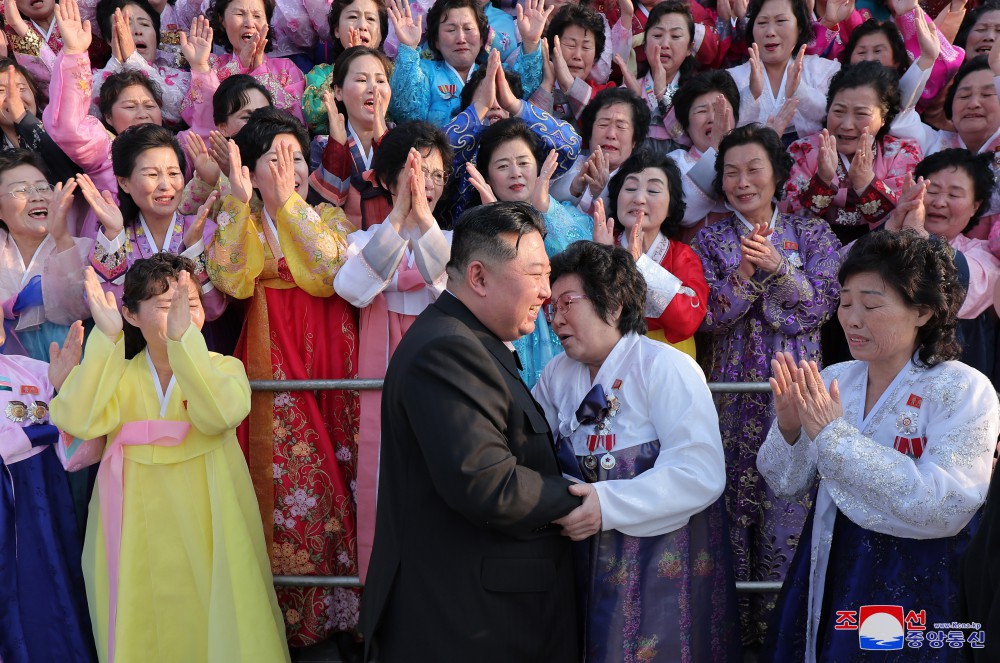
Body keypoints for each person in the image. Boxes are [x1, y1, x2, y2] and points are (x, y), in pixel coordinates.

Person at [758, 230, 998, 661]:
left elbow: (948, 504)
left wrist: (833, 437)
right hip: (829, 559)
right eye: (845, 303)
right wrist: (790, 428)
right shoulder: (840, 377)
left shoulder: (964, 388)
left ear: (922, 311)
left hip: (915, 572)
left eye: (870, 305)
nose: (851, 318)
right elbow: (786, 484)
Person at [360, 201, 583, 662]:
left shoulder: (469, 339)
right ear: (479, 277)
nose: (547, 292)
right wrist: (586, 497)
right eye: (537, 274)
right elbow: (487, 482)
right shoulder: (448, 348)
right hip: (467, 621)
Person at [50, 256, 291, 663]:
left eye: (190, 303)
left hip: (210, 510)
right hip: (134, 518)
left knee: (223, 608)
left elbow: (219, 415)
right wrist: (105, 340)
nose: (182, 314)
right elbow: (78, 420)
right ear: (130, 314)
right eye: (165, 308)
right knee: (141, 610)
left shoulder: (223, 367)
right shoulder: (120, 375)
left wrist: (184, 344)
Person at [532, 240, 740, 662]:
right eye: (552, 307)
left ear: (612, 304)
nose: (556, 319)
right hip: (580, 554)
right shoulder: (557, 373)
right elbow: (532, 443)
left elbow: (699, 471)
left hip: (658, 559)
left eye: (568, 302)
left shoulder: (665, 367)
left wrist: (606, 503)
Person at [206, 106, 362, 648]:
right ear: (249, 167)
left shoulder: (331, 216)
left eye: (295, 157)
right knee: (290, 472)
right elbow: (230, 278)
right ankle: (288, 613)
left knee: (341, 462)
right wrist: (238, 199)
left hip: (328, 349)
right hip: (272, 346)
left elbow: (331, 271)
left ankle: (343, 610)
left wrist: (288, 204)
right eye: (274, 158)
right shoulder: (239, 216)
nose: (287, 168)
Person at [692, 123, 842, 645]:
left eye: (754, 169)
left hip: (795, 390)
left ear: (778, 174)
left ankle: (784, 638)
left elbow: (821, 309)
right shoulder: (709, 238)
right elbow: (708, 315)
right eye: (731, 172)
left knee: (789, 506)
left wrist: (778, 267)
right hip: (730, 394)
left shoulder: (813, 234)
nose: (742, 181)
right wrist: (747, 279)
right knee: (733, 506)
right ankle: (733, 639)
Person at [0, 320, 96, 663]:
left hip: (34, 521)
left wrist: (64, 390)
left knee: (43, 605)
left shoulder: (37, 374)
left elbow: (79, 456)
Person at [783, 61, 922, 245]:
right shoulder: (802, 151)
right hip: (812, 253)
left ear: (883, 117)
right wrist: (822, 180)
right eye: (839, 111)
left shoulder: (902, 153)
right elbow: (788, 219)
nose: (847, 125)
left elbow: (903, 220)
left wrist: (865, 182)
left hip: (879, 256)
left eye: (861, 114)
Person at [596, 149, 708, 358]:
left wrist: (640, 265)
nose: (639, 198)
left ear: (670, 205)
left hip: (668, 364)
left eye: (654, 191)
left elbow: (688, 319)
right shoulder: (595, 246)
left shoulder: (682, 256)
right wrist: (603, 258)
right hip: (607, 361)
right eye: (630, 188)